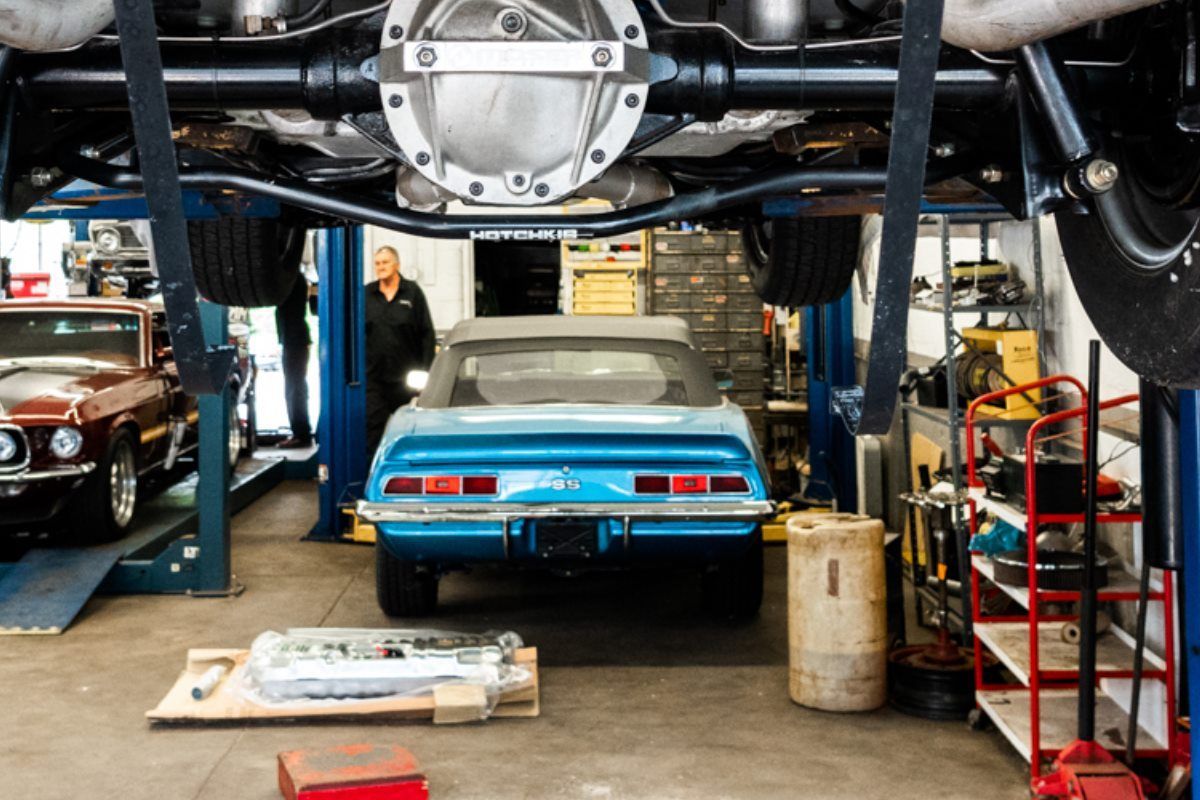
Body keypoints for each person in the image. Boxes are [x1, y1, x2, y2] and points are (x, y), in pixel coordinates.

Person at [366, 245, 436, 454]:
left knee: (409, 430)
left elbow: (426, 333)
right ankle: (372, 476)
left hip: (407, 379)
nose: (381, 267)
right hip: (374, 379)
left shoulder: (412, 293)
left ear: (397, 265)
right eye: (377, 263)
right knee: (371, 432)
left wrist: (427, 374)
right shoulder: (366, 294)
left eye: (385, 262)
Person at [275, 275, 313, 448]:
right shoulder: (294, 279)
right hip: (293, 339)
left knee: (294, 388)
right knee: (295, 387)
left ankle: (301, 433)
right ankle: (300, 431)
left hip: (294, 339)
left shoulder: (291, 280)